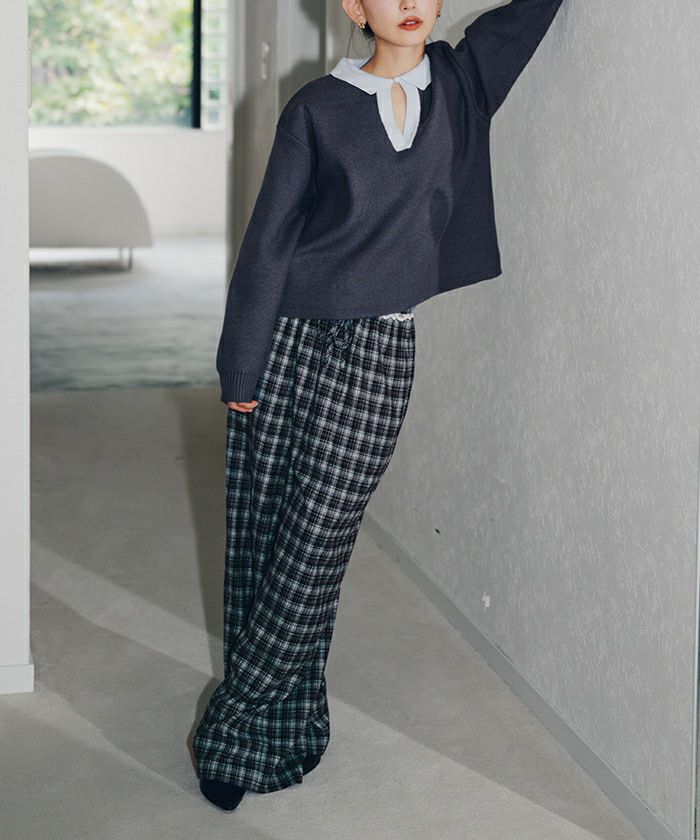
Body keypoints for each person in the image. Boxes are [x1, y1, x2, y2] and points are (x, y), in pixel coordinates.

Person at [190, 0, 565, 812]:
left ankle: (233, 722)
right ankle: (286, 721)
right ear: (356, 8)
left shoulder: (463, 82)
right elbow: (270, 241)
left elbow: (528, 17)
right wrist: (241, 364)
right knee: (269, 528)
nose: (410, 3)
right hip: (291, 337)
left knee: (317, 542)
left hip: (380, 347)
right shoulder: (316, 109)